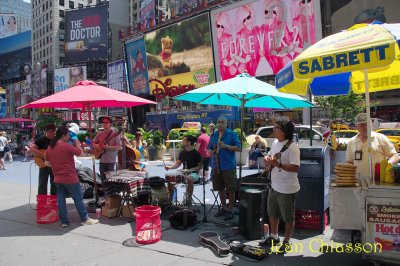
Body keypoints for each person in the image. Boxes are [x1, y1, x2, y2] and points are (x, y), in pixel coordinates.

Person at [45, 126, 98, 227]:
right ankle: (84, 218)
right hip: (70, 178)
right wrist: (78, 144)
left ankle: (64, 221)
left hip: (57, 178)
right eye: (68, 135)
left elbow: (46, 162)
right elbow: (81, 154)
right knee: (78, 199)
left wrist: (56, 165)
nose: (69, 136)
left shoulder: (50, 147)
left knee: (61, 200)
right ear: (63, 135)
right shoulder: (66, 146)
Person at [262, 119, 300, 254]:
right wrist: (267, 159)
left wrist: (278, 165)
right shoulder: (275, 143)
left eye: (276, 127)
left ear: (285, 130)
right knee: (272, 213)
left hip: (287, 188)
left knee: (288, 217)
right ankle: (274, 236)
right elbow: (271, 157)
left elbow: (295, 168)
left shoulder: (292, 147)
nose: (274, 130)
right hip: (275, 185)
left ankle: (287, 241)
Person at [346, 113, 399, 179]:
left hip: (379, 180)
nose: (365, 127)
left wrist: (387, 165)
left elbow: (395, 156)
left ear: (371, 125)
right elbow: (349, 162)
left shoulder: (380, 138)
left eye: (366, 124)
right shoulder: (352, 142)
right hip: (358, 181)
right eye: (361, 125)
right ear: (356, 127)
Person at [208, 116, 241, 220]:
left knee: (231, 189)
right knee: (220, 188)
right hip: (216, 166)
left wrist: (226, 146)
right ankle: (223, 207)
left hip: (228, 166)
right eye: (218, 122)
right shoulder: (214, 135)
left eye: (222, 122)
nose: (220, 124)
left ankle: (230, 209)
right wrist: (211, 151)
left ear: (226, 124)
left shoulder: (232, 134)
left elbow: (239, 148)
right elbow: (209, 148)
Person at [165, 135, 202, 206]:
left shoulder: (196, 153)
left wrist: (190, 170)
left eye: (184, 140)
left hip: (194, 173)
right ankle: (170, 200)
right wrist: (169, 167)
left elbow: (200, 166)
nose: (182, 141)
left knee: (189, 179)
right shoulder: (182, 152)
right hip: (184, 171)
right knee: (170, 179)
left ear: (189, 142)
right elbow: (178, 164)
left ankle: (189, 199)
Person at [93, 117, 122, 195]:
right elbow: (92, 143)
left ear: (110, 124)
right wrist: (98, 146)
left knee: (110, 181)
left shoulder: (115, 135)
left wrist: (108, 147)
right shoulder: (100, 134)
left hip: (111, 161)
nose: (104, 124)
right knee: (103, 180)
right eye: (103, 122)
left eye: (106, 123)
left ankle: (111, 198)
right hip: (102, 160)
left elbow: (119, 147)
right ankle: (106, 198)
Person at [29, 124, 57, 195]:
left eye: (53, 131)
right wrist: (43, 155)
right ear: (46, 131)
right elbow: (31, 149)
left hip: (55, 165)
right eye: (50, 131)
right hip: (43, 165)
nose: (52, 133)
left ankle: (53, 202)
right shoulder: (41, 139)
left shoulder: (57, 140)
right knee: (42, 184)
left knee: (55, 184)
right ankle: (42, 203)